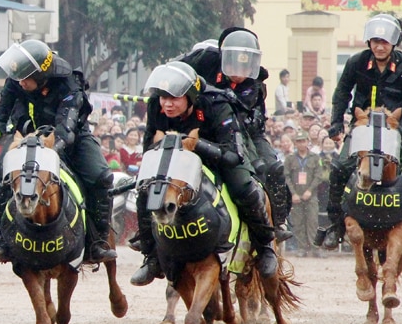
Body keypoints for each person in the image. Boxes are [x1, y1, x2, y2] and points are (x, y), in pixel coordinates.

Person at [130, 61, 278, 285]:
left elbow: (233, 155)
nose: (167, 105)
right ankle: (151, 257)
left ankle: (265, 246)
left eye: (173, 99)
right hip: (176, 161)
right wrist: (166, 146)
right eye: (163, 98)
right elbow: (149, 150)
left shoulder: (217, 105)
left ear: (190, 96)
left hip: (221, 158)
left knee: (245, 188)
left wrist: (196, 145)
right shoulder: (156, 106)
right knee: (145, 192)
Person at [0, 39, 117, 264]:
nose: (19, 83)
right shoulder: (18, 78)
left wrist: (51, 148)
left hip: (70, 137)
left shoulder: (68, 84)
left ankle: (98, 242)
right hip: (29, 137)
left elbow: (66, 128)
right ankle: (0, 241)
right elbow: (4, 110)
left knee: (101, 177)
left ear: (40, 75)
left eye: (25, 79)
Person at [315, 14, 402, 255]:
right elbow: (341, 94)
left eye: (385, 42)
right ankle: (334, 226)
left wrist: (401, 127)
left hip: (398, 128)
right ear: (369, 41)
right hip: (363, 128)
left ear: (394, 43)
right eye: (375, 41)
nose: (379, 46)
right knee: (339, 167)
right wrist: (336, 123)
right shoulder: (356, 62)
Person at [181, 28, 291, 239]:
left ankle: (276, 223)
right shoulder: (203, 60)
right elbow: (174, 73)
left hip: (243, 131)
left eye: (245, 66)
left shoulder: (255, 83)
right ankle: (149, 240)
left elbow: (238, 110)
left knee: (270, 167)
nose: (238, 72)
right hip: (199, 128)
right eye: (233, 64)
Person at [285, 131, 323, 255]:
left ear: (308, 142)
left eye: (303, 141)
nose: (301, 144)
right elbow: (286, 177)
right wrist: (293, 193)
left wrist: (309, 190)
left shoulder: (315, 157)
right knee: (298, 222)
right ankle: (302, 248)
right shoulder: (290, 158)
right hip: (296, 194)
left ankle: (314, 247)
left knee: (313, 221)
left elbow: (318, 176)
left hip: (311, 195)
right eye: (298, 141)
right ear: (295, 143)